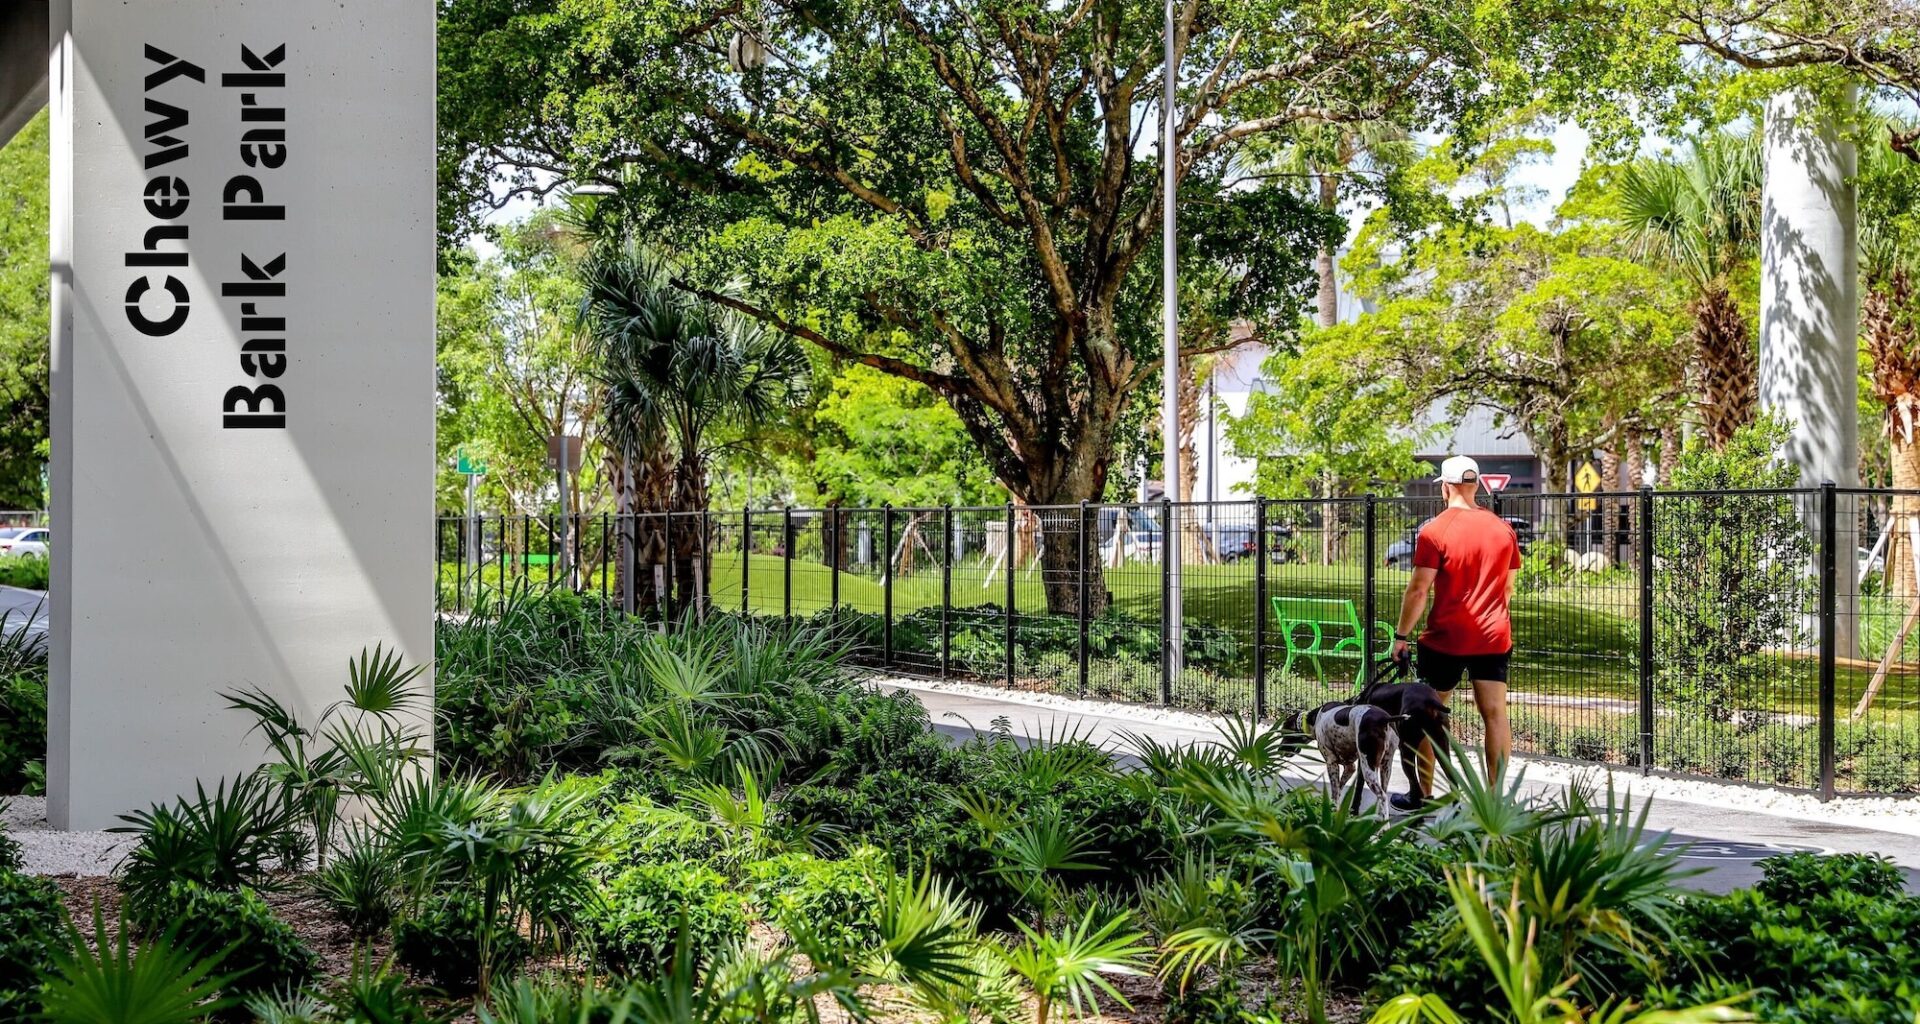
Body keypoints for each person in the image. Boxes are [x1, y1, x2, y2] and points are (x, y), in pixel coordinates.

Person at [1388, 455, 1521, 810]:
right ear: (1476, 485)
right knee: (1495, 714)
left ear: (1445, 488)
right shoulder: (1503, 529)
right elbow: (1508, 589)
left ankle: (1426, 795)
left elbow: (1418, 591)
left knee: (1429, 714)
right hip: (1493, 637)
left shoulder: (1435, 530)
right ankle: (1495, 801)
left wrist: (1401, 636)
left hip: (1446, 639)